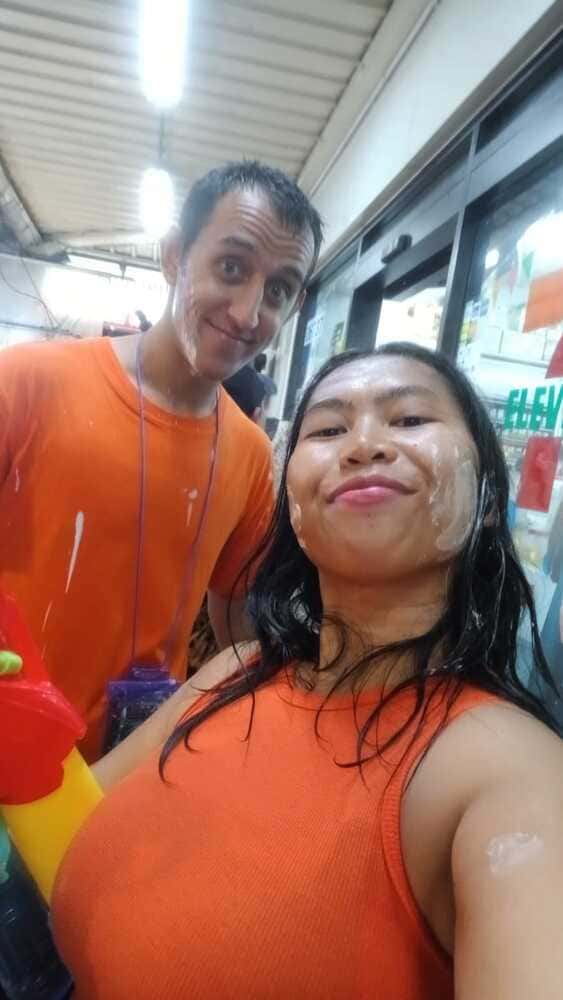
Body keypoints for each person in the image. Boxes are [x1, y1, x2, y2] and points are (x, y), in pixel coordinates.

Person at [51, 342, 563, 998]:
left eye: (409, 419)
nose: (362, 446)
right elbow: (66, 823)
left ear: (489, 497)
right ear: (290, 502)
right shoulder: (234, 672)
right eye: (327, 430)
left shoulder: (509, 771)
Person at [0, 160, 322, 761]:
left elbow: (237, 620)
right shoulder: (27, 381)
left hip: (131, 769)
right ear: (174, 256)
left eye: (278, 290)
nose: (248, 313)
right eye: (231, 268)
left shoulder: (251, 456)